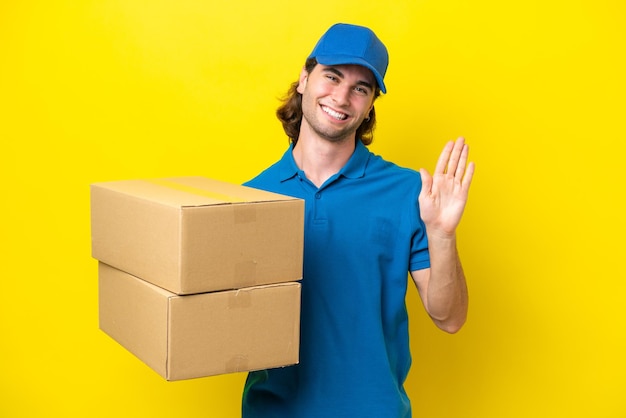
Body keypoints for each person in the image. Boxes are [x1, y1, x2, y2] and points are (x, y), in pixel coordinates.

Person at [241, 23, 475, 418]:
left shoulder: (409, 193)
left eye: (360, 88)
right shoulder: (248, 199)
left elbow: (450, 318)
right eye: (332, 77)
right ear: (303, 79)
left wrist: (442, 233)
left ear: (369, 106)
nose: (342, 97)